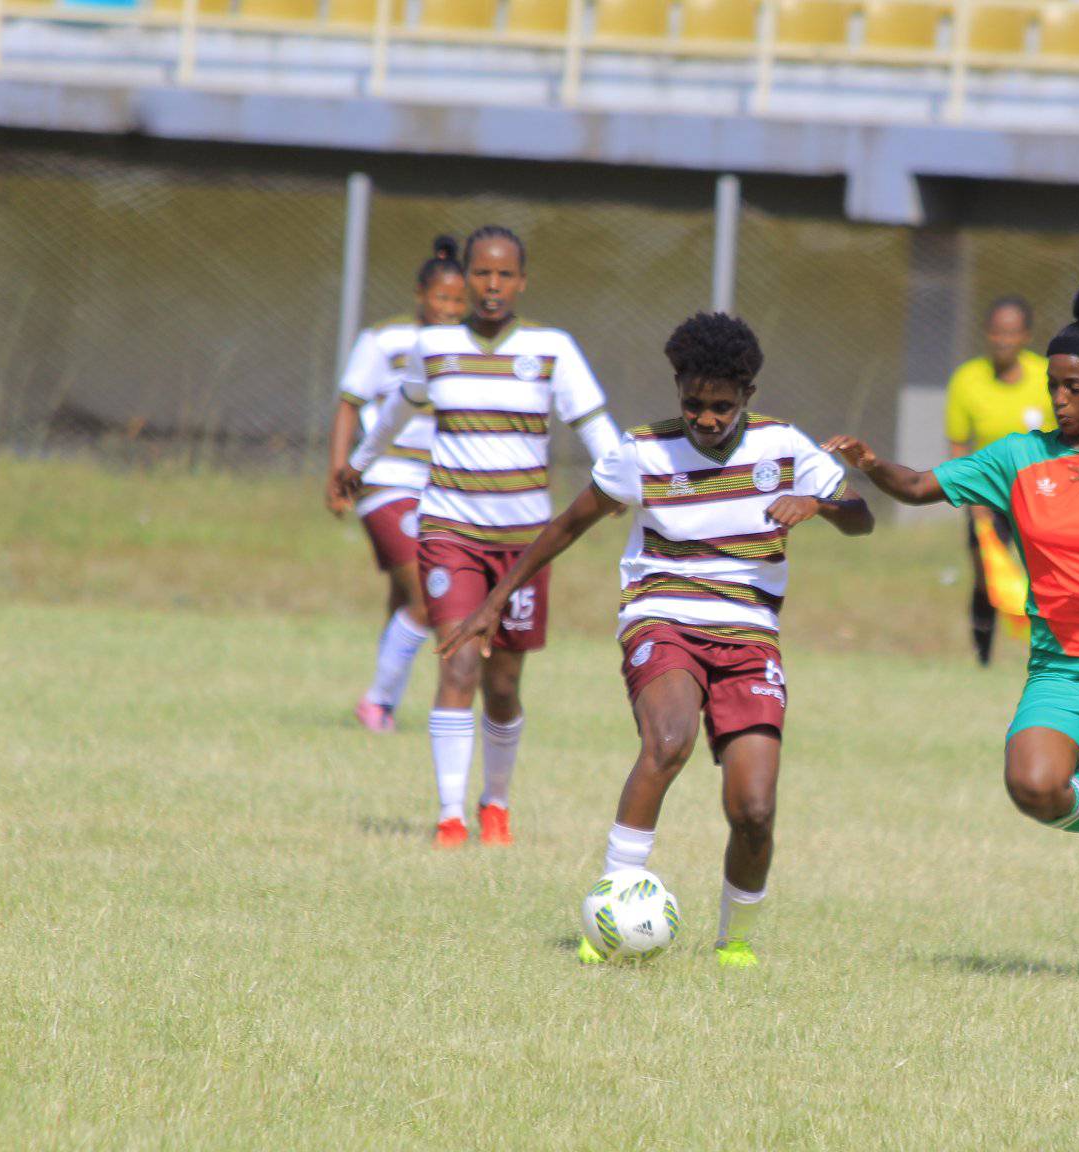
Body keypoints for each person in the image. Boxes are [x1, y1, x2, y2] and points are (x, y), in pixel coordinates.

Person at [824, 280, 1079, 997]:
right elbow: (919, 486)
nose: (1061, 399)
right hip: (1061, 664)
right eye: (1054, 385)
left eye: (1075, 387)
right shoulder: (1018, 457)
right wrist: (870, 462)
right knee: (1032, 786)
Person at [439, 311, 873, 967]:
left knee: (754, 808)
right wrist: (494, 601)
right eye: (693, 403)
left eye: (721, 406)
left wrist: (821, 504)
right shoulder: (641, 452)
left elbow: (862, 520)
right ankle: (610, 912)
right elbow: (567, 525)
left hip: (750, 632)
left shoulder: (785, 447)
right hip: (662, 615)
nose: (705, 417)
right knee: (669, 740)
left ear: (747, 396)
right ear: (678, 390)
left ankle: (736, 943)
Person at [337, 225, 621, 848]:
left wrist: (623, 480)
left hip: (525, 545)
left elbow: (594, 425)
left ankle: (495, 804)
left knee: (504, 683)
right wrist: (359, 463)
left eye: (504, 275)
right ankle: (449, 818)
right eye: (482, 274)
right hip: (451, 533)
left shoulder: (553, 349)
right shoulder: (434, 346)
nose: (492, 286)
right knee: (459, 662)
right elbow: (395, 410)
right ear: (465, 278)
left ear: (522, 281)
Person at [324, 236, 467, 733]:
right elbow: (349, 402)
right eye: (441, 299)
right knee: (427, 599)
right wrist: (338, 471)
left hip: (439, 486)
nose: (448, 310)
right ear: (420, 295)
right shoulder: (385, 340)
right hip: (386, 480)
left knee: (403, 599)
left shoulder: (466, 347)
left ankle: (385, 703)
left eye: (457, 302)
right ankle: (378, 702)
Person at [944, 297, 1053, 666]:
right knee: (986, 575)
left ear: (1025, 336)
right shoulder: (967, 380)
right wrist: (971, 498)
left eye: (1012, 333)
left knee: (1046, 578)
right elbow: (959, 445)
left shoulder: (1047, 377)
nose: (1003, 341)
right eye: (997, 332)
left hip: (1038, 494)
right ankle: (982, 660)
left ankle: (1047, 657)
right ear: (987, 334)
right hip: (987, 494)